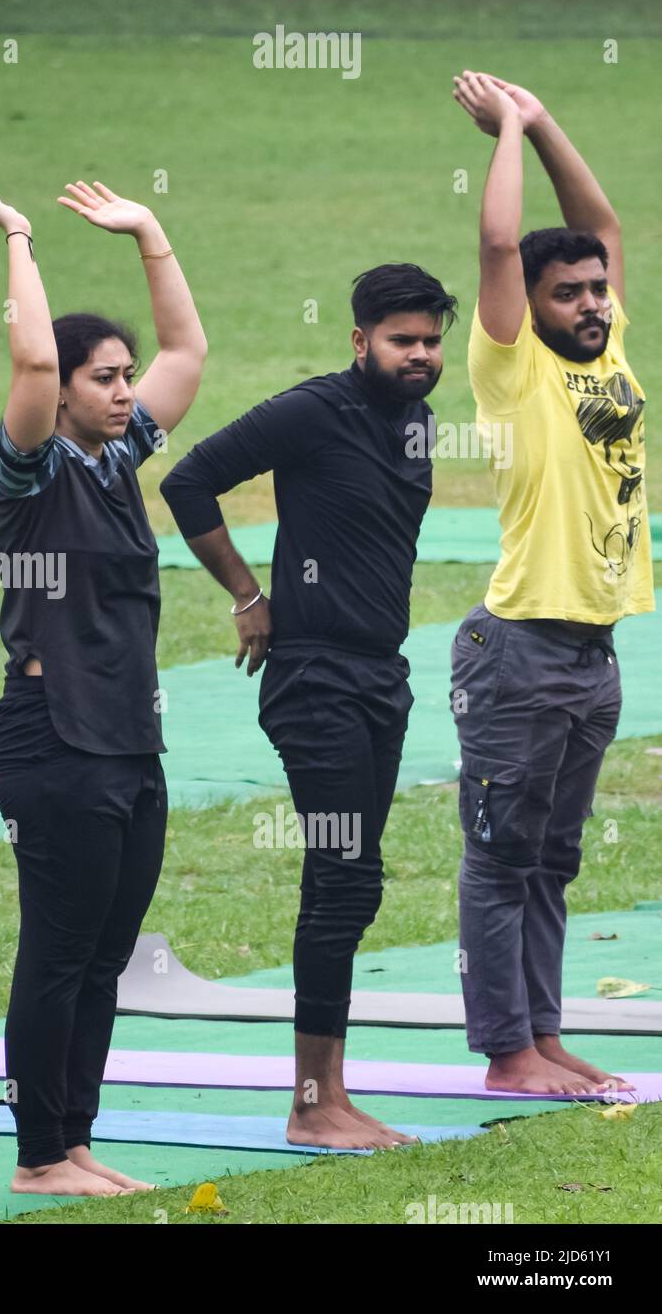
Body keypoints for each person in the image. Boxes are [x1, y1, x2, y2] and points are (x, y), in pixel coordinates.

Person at [160, 264, 457, 1149]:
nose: (420, 355)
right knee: (341, 879)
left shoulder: (418, 422)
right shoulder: (312, 410)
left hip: (379, 678)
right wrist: (249, 595)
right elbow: (188, 481)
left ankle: (330, 1091)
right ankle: (310, 1105)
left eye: (432, 341)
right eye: (402, 340)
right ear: (359, 340)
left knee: (351, 884)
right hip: (315, 680)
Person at [0, 173, 207, 1196]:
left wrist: (151, 230)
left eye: (122, 375)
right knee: (58, 952)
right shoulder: (30, 476)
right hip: (50, 738)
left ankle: (73, 1142)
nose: (123, 389)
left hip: (127, 740)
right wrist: (19, 240)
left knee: (104, 956)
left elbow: (188, 355)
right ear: (60, 391)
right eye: (102, 377)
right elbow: (27, 351)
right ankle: (35, 1158)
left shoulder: (117, 463)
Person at [448, 71, 650, 1095]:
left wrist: (544, 119)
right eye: (563, 292)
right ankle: (506, 1054)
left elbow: (600, 222)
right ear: (525, 310)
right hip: (516, 649)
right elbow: (495, 247)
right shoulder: (513, 367)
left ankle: (543, 1031)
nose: (584, 302)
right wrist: (507, 138)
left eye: (592, 289)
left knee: (550, 860)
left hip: (589, 649)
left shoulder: (605, 342)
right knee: (499, 856)